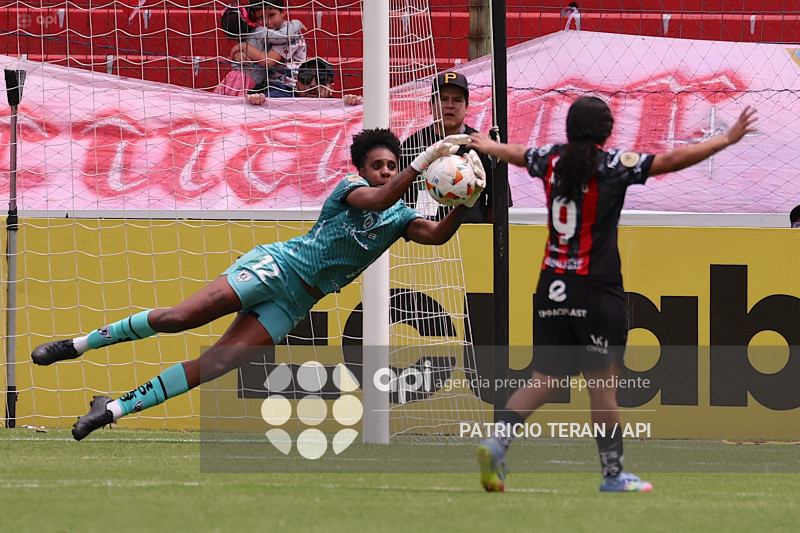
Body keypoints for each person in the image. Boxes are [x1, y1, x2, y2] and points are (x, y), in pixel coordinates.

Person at [31, 129, 486, 441]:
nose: (387, 171)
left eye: (392, 165)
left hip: (294, 303)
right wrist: (423, 162)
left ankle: (112, 409)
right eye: (378, 165)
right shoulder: (350, 189)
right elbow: (382, 195)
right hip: (275, 267)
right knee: (179, 318)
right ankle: (78, 345)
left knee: (216, 364)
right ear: (362, 169)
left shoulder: (402, 217)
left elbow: (437, 234)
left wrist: (467, 199)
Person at [468, 97, 757, 492]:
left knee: (542, 378)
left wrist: (489, 147)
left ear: (569, 129)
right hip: (595, 289)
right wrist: (725, 140)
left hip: (551, 286)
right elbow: (670, 161)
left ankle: (495, 443)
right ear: (606, 131)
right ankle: (613, 476)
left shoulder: (552, 159)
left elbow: (519, 154)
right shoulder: (612, 166)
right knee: (601, 385)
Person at [400, 71, 509, 223]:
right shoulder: (412, 145)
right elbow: (401, 200)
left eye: (457, 100)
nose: (449, 105)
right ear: (431, 105)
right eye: (443, 99)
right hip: (422, 236)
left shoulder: (483, 147)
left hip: (471, 234)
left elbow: (497, 203)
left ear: (466, 107)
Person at [216, 0, 306, 97]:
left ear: (283, 12)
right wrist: (240, 54)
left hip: (287, 87)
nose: (267, 22)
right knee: (245, 98)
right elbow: (255, 50)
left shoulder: (289, 34)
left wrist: (242, 46)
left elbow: (268, 61)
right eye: (261, 18)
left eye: (272, 15)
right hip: (266, 84)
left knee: (261, 102)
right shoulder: (268, 34)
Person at [246, 57, 363, 106]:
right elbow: (252, 100)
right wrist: (255, 99)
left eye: (321, 79)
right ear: (297, 84)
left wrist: (353, 103)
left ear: (331, 87)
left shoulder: (340, 107)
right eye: (306, 78)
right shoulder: (280, 98)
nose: (313, 84)